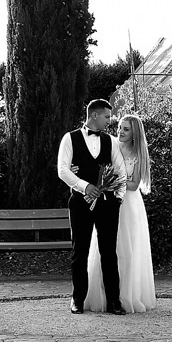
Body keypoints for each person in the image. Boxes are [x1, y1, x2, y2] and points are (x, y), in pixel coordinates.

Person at [56, 99, 126, 315]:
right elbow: (62, 170)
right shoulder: (69, 138)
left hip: (107, 204)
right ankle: (77, 299)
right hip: (80, 203)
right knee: (80, 252)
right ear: (94, 115)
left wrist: (118, 198)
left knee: (109, 252)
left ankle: (114, 301)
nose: (109, 120)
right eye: (107, 116)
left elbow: (121, 171)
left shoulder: (111, 141)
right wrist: (84, 186)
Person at [85, 114, 156, 313]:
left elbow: (133, 185)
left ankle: (125, 296)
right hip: (107, 201)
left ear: (134, 133)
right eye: (119, 128)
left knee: (126, 250)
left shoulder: (138, 155)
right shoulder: (111, 146)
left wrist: (116, 181)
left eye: (126, 129)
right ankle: (102, 295)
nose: (120, 132)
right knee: (104, 247)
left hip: (128, 205)